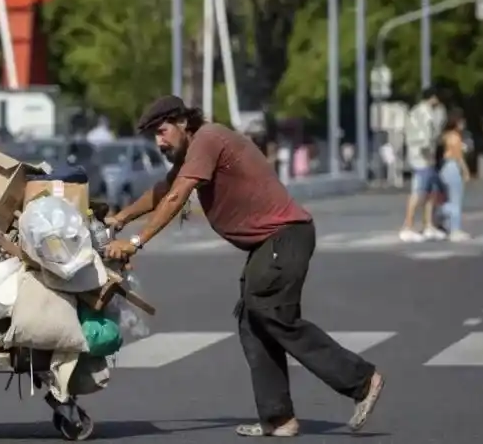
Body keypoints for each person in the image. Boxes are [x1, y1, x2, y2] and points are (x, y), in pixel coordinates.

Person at [102, 96, 385, 437]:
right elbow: (164, 190)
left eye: (162, 132)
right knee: (253, 322)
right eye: (154, 136)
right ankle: (278, 418)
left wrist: (135, 241)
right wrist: (121, 217)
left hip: (285, 237)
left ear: (181, 123)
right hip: (271, 244)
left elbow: (177, 198)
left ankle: (361, 380)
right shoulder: (195, 149)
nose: (159, 142)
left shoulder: (207, 139)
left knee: (271, 313)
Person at [400, 86, 447, 242]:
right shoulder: (419, 113)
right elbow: (421, 137)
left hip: (429, 157)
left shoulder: (434, 111)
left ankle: (429, 225)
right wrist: (427, 152)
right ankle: (407, 226)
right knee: (419, 191)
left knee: (431, 192)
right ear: (432, 97)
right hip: (421, 157)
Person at [438, 110, 471, 241]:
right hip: (453, 168)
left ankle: (442, 220)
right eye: (461, 122)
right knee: (456, 200)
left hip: (444, 168)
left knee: (447, 198)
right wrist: (465, 170)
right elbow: (458, 156)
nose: (463, 124)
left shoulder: (444, 136)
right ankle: (455, 230)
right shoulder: (455, 137)